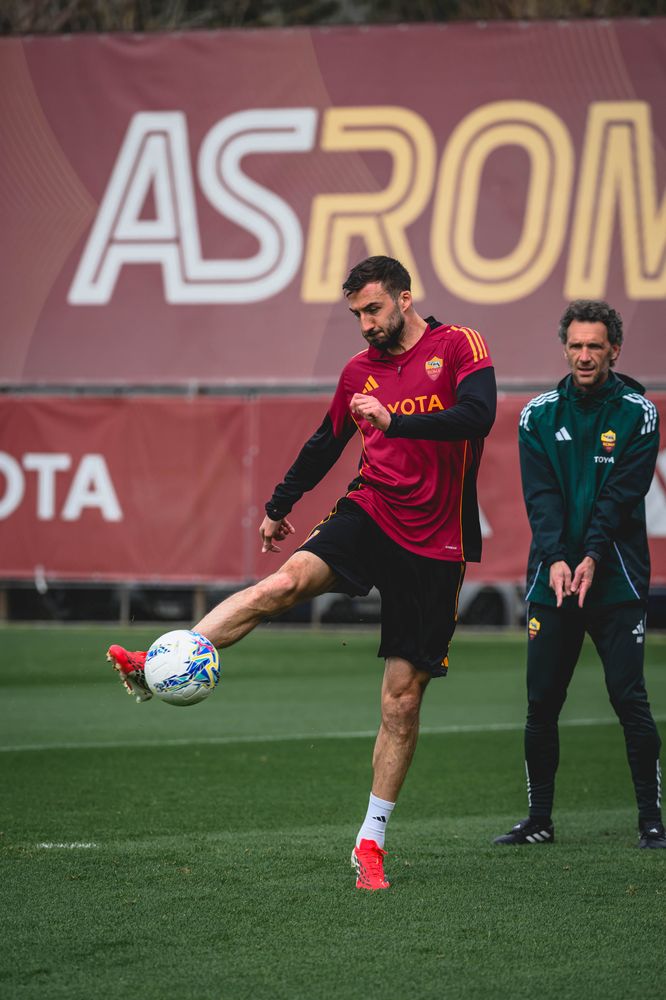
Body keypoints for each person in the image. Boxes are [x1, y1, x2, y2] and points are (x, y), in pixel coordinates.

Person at [107, 255, 496, 888]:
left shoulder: (459, 346)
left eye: (373, 309)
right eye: (356, 315)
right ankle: (157, 666)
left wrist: (398, 421)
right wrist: (279, 505)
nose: (365, 324)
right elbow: (326, 442)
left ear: (404, 296)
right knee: (280, 585)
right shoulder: (357, 372)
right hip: (371, 510)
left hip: (436, 544)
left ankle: (370, 842)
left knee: (401, 703)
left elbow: (478, 416)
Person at [494, 299, 664, 849]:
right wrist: (560, 558)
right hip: (555, 580)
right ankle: (539, 821)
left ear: (614, 349)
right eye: (576, 345)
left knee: (628, 697)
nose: (585, 355)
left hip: (616, 580)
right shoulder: (538, 415)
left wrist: (591, 555)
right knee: (541, 703)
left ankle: (651, 822)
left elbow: (620, 498)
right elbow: (540, 499)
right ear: (564, 347)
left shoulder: (639, 412)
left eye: (595, 346)